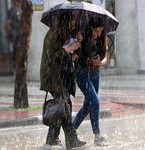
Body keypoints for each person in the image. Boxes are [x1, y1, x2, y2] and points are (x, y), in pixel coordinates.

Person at [40, 12, 86, 149]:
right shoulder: (52, 35)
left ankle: (53, 140)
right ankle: (69, 140)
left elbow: (68, 55)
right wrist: (68, 49)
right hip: (54, 77)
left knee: (64, 107)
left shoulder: (65, 35)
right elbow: (53, 57)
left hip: (64, 76)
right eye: (72, 23)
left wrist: (78, 44)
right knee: (63, 107)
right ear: (65, 22)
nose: (73, 26)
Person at [73, 17, 108, 146]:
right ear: (91, 28)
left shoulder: (101, 40)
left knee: (89, 105)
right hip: (82, 73)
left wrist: (100, 62)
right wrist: (87, 60)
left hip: (95, 72)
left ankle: (72, 129)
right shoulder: (82, 38)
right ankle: (97, 135)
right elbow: (76, 57)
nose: (98, 34)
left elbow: (105, 58)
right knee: (95, 102)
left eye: (100, 31)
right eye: (96, 31)